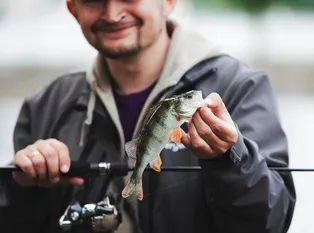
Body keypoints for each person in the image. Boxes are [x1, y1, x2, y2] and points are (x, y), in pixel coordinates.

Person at [0, 0, 296, 233]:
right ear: (72, 8)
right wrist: (21, 189)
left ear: (168, 1)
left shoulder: (239, 88)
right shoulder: (45, 106)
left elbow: (270, 223)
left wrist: (230, 159)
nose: (113, 12)